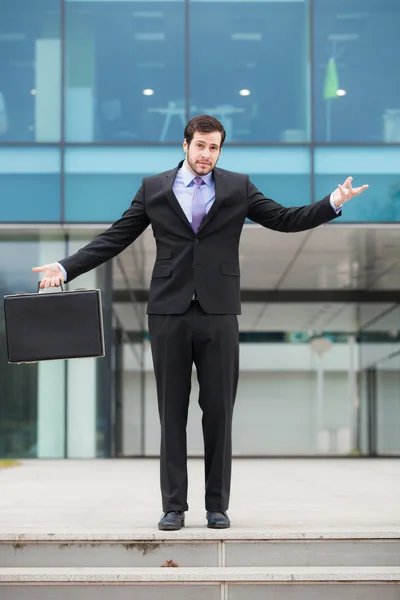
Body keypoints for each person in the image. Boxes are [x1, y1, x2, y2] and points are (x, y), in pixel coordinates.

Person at [32, 115, 369, 530]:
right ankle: (174, 507)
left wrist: (331, 202)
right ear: (185, 145)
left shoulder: (238, 187)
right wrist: (65, 268)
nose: (207, 155)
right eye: (201, 146)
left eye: (214, 148)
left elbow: (284, 219)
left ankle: (217, 506)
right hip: (168, 312)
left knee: (219, 413)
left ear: (220, 150)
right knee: (171, 413)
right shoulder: (154, 188)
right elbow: (116, 236)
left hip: (220, 312)